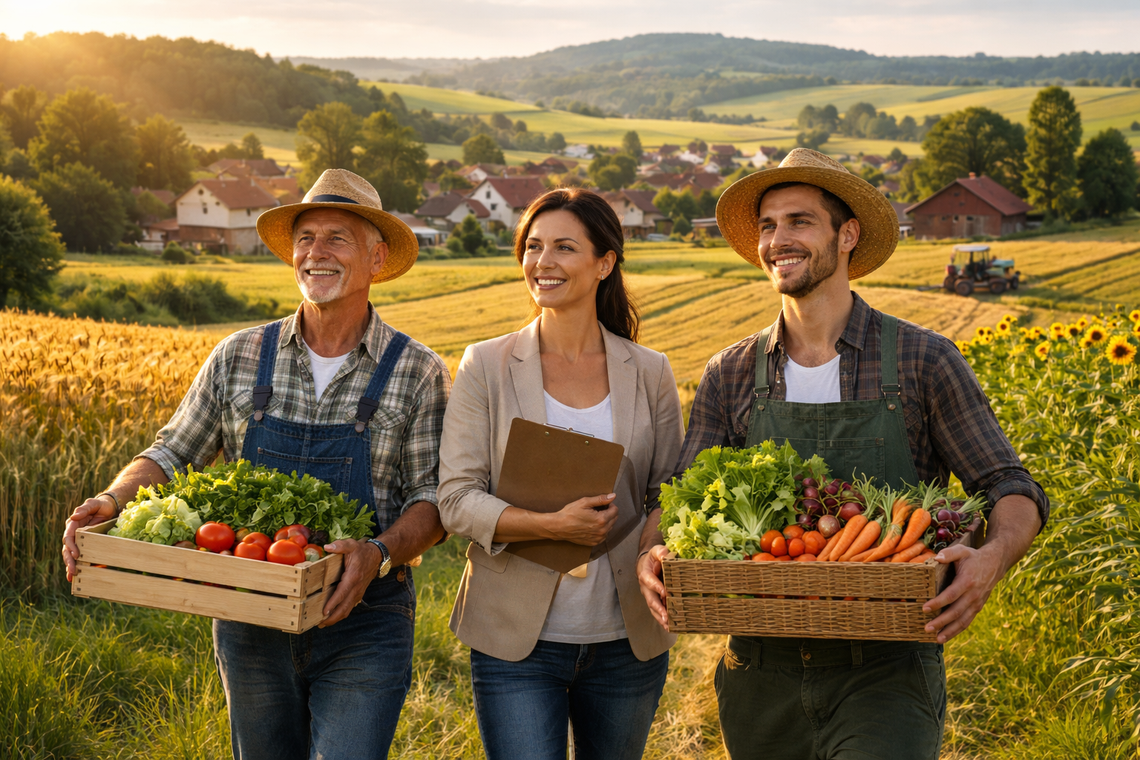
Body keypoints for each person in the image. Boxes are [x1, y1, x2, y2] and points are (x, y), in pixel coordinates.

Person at [635, 149, 1050, 760]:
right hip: (758, 669)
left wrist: (990, 559)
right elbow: (679, 496)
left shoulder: (922, 359)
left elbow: (1011, 484)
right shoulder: (730, 373)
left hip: (886, 670)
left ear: (847, 234)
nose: (779, 240)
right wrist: (654, 550)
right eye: (769, 226)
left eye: (799, 221)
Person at [62, 169, 451, 760]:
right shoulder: (240, 355)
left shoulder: (416, 370)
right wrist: (112, 501)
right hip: (248, 611)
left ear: (376, 258)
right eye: (305, 237)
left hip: (366, 621)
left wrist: (377, 553)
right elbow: (172, 452)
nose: (315, 252)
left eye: (337, 238)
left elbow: (433, 500)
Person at [437, 188, 682, 760]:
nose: (542, 262)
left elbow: (669, 492)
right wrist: (550, 526)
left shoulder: (649, 371)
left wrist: (655, 544)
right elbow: (455, 499)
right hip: (514, 640)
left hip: (627, 640)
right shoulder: (487, 365)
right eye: (533, 246)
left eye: (564, 247)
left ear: (605, 262)